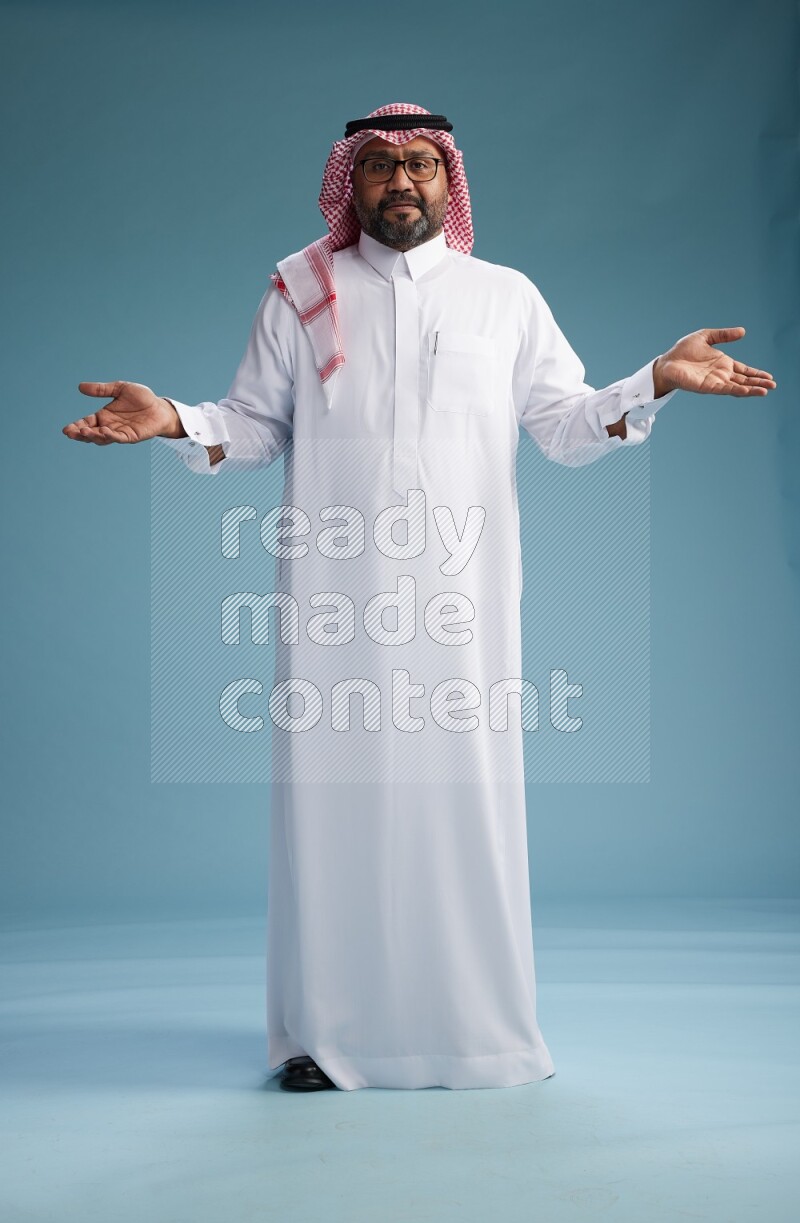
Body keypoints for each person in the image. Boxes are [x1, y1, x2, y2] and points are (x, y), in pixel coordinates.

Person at [63, 102, 777, 1094]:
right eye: (379, 166)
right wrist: (174, 417)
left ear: (450, 180)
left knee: (462, 809)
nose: (402, 181)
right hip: (332, 604)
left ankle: (477, 1035)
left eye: (421, 165)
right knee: (331, 811)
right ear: (347, 183)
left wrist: (653, 377)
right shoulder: (299, 289)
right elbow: (256, 425)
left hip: (462, 608)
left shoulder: (504, 298)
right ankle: (322, 1034)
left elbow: (566, 426)